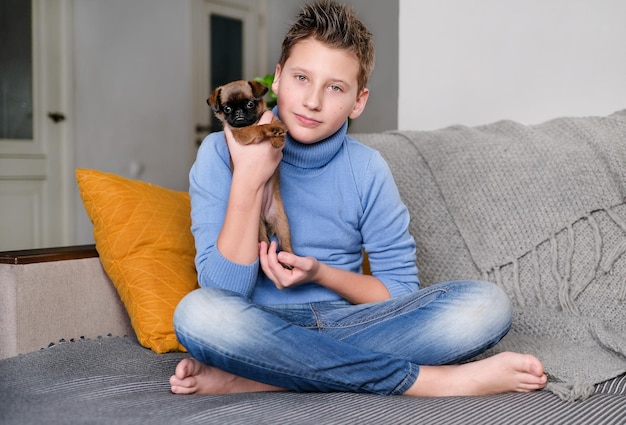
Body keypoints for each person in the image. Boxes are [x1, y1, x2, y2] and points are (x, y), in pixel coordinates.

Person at [170, 0, 547, 397]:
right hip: (257, 322)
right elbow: (223, 292)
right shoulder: (218, 152)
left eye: (335, 87)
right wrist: (248, 178)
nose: (313, 101)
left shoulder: (367, 169)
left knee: (486, 305)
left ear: (358, 101)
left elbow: (400, 293)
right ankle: (429, 382)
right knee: (199, 313)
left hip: (352, 324)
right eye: (301, 78)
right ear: (278, 78)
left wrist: (319, 274)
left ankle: (263, 375)